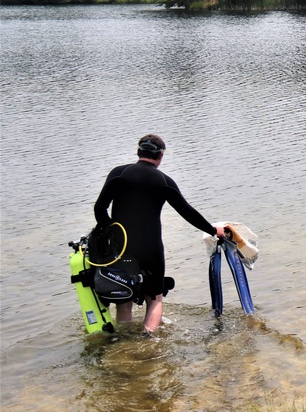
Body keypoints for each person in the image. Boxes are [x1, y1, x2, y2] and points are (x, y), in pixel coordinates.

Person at [94, 134, 226, 334]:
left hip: (121, 248)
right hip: (151, 248)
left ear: (138, 152)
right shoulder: (164, 181)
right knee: (154, 299)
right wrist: (213, 230)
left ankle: (125, 340)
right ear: (160, 156)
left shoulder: (118, 174)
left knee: (125, 298)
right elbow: (187, 212)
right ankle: (149, 339)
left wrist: (111, 230)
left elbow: (99, 209)